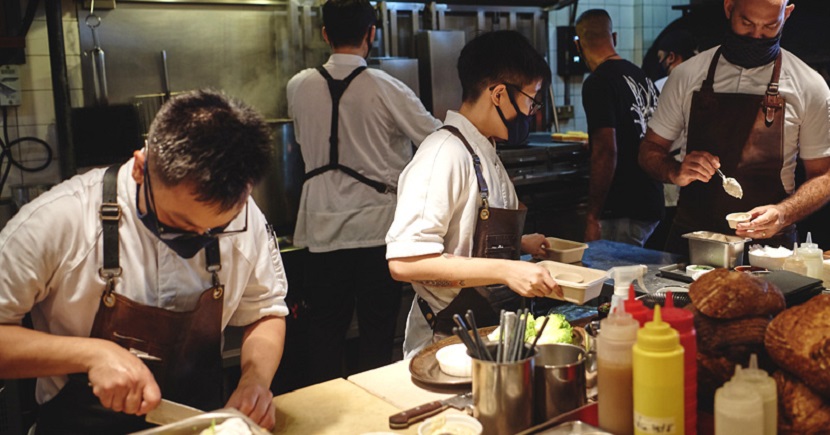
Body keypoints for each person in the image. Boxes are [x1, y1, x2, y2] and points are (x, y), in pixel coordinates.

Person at [0, 90, 288, 433]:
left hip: (198, 427)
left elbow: (266, 308)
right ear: (140, 168)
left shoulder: (243, 215)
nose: (198, 238)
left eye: (216, 230)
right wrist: (91, 354)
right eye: (179, 225)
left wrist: (255, 380)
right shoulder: (59, 221)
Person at [287, 0, 440, 382]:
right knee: (376, 331)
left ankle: (322, 413)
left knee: (323, 330)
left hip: (320, 230)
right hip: (377, 230)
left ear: (325, 34)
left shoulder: (298, 86)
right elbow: (438, 138)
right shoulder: (387, 86)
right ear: (372, 34)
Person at [386, 30, 562, 358]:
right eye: (531, 99)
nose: (533, 111)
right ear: (498, 94)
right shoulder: (444, 154)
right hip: (444, 344)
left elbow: (464, 233)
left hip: (484, 333)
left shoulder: (482, 148)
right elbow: (405, 261)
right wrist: (508, 270)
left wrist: (520, 244)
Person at [639, 0, 830, 255]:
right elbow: (649, 150)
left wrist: (783, 213)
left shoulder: (809, 85)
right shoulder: (687, 76)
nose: (757, 35)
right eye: (747, 23)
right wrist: (674, 171)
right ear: (729, 8)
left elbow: (823, 176)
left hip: (770, 251)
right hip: (694, 244)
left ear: (787, 14)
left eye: (770, 26)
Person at [576, 9, 663, 247]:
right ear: (614, 38)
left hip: (623, 208)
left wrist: (593, 215)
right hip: (651, 200)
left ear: (578, 46)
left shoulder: (598, 83)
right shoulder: (640, 76)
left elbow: (607, 151)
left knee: (615, 280)